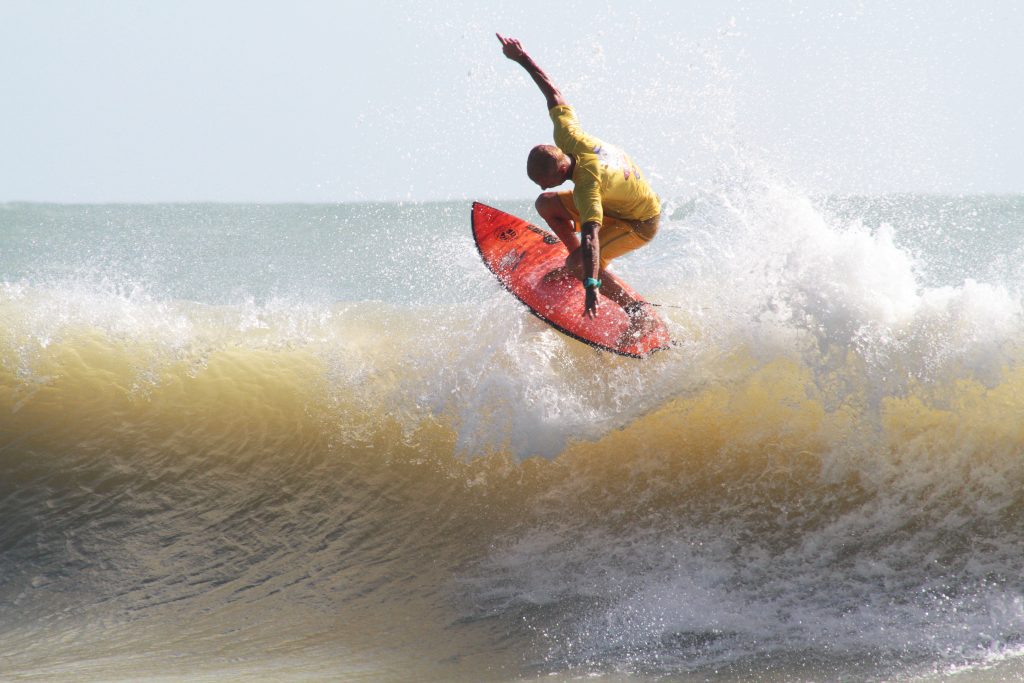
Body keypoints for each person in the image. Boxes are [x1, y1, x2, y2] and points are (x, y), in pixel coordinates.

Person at [497, 33, 661, 336]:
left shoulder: (587, 187)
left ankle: (637, 311)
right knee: (545, 204)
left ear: (560, 168)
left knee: (579, 262)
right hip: (618, 200)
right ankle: (579, 266)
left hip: (639, 221)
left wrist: (590, 286)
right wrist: (521, 58)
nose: (540, 185)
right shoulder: (568, 138)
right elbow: (553, 94)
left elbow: (590, 238)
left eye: (543, 180)